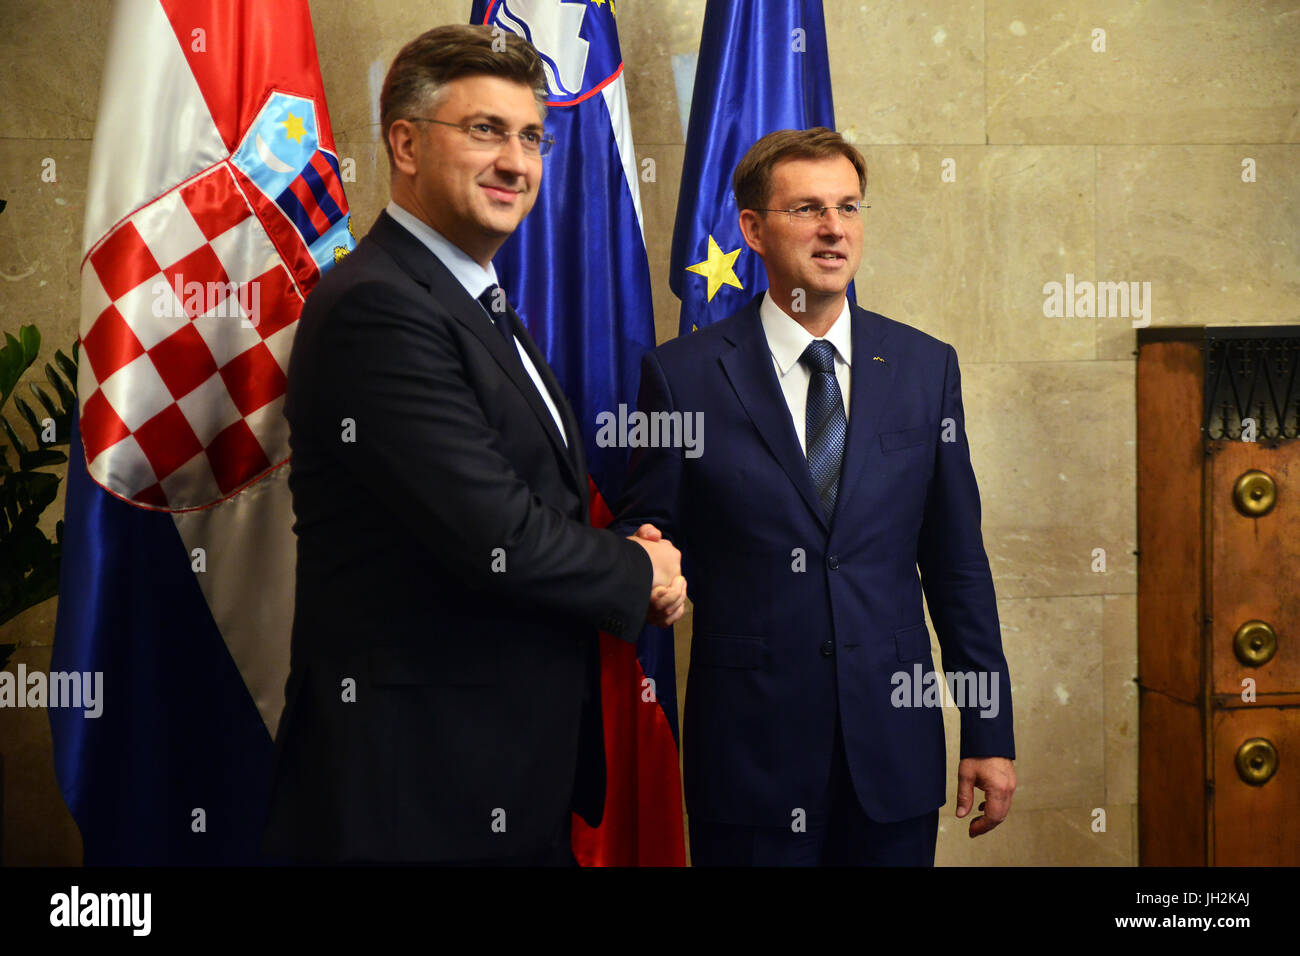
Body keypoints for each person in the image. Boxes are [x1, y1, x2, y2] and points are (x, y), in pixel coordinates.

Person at [264, 24, 686, 865]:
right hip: (413, 785)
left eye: (531, 137)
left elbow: (520, 498)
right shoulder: (379, 307)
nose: (518, 161)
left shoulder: (472, 299)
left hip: (498, 768)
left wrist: (612, 547)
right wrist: (640, 572)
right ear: (407, 144)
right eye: (486, 130)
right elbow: (491, 532)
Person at [614, 127, 1015, 866]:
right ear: (753, 230)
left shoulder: (927, 369)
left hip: (893, 758)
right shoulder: (684, 377)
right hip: (750, 762)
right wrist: (645, 561)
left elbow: (958, 566)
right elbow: (646, 529)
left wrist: (989, 733)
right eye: (807, 209)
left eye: (849, 207)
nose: (834, 228)